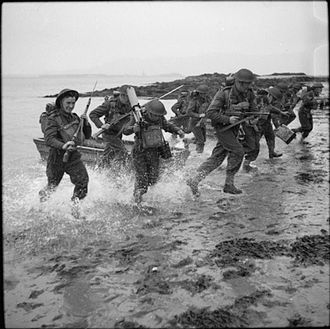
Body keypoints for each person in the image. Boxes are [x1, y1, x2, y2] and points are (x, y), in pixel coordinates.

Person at [186, 68, 257, 196]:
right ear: (237, 82)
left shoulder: (249, 94)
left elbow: (253, 110)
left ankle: (194, 179)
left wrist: (252, 119)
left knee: (217, 158)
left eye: (248, 84)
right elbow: (210, 113)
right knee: (238, 151)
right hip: (223, 128)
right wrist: (228, 119)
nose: (245, 87)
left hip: (235, 128)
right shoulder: (224, 94)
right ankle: (229, 184)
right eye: (242, 84)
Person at [123, 99, 185, 204]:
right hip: (140, 152)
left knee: (153, 179)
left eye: (159, 116)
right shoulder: (138, 116)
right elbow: (125, 130)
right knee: (142, 179)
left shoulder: (159, 117)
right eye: (155, 115)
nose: (157, 117)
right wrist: (134, 128)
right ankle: (136, 200)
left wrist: (177, 130)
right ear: (149, 112)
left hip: (154, 152)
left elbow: (167, 126)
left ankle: (141, 195)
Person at [39, 89, 92, 210]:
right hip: (56, 158)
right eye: (68, 103)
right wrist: (63, 145)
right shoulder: (53, 119)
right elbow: (49, 139)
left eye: (73, 103)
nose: (71, 106)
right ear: (61, 102)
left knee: (83, 182)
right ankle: (40, 204)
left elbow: (87, 135)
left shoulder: (75, 117)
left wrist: (86, 123)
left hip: (72, 156)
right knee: (52, 186)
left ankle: (75, 208)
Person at [89, 85, 131, 170]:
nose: (125, 98)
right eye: (123, 95)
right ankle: (124, 172)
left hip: (118, 134)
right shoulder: (110, 104)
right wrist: (101, 125)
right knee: (123, 153)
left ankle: (99, 170)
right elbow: (93, 114)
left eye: (127, 96)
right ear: (119, 95)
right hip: (108, 134)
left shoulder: (130, 105)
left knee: (109, 154)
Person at [255, 87, 289, 159]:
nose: (274, 100)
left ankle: (272, 152)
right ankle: (247, 159)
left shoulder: (266, 100)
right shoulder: (258, 99)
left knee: (271, 137)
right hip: (258, 123)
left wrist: (281, 112)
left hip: (266, 122)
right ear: (270, 95)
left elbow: (270, 107)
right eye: (274, 98)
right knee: (255, 141)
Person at [185, 84, 211, 153]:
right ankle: (199, 153)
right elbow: (189, 112)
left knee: (203, 139)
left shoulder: (207, 99)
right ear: (199, 93)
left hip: (202, 122)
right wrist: (199, 115)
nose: (204, 95)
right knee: (201, 141)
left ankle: (187, 141)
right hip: (194, 123)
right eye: (203, 94)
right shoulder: (194, 101)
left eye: (205, 93)